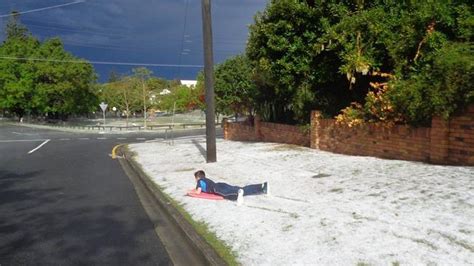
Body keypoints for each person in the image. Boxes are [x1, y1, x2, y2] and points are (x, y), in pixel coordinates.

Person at [193, 170, 269, 204]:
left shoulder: (200, 181)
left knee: (228, 195)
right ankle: (261, 186)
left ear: (198, 177)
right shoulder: (206, 179)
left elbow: (198, 192)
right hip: (220, 184)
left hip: (216, 189)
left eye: (195, 178)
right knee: (241, 188)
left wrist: (190, 192)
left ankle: (237, 195)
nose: (196, 180)